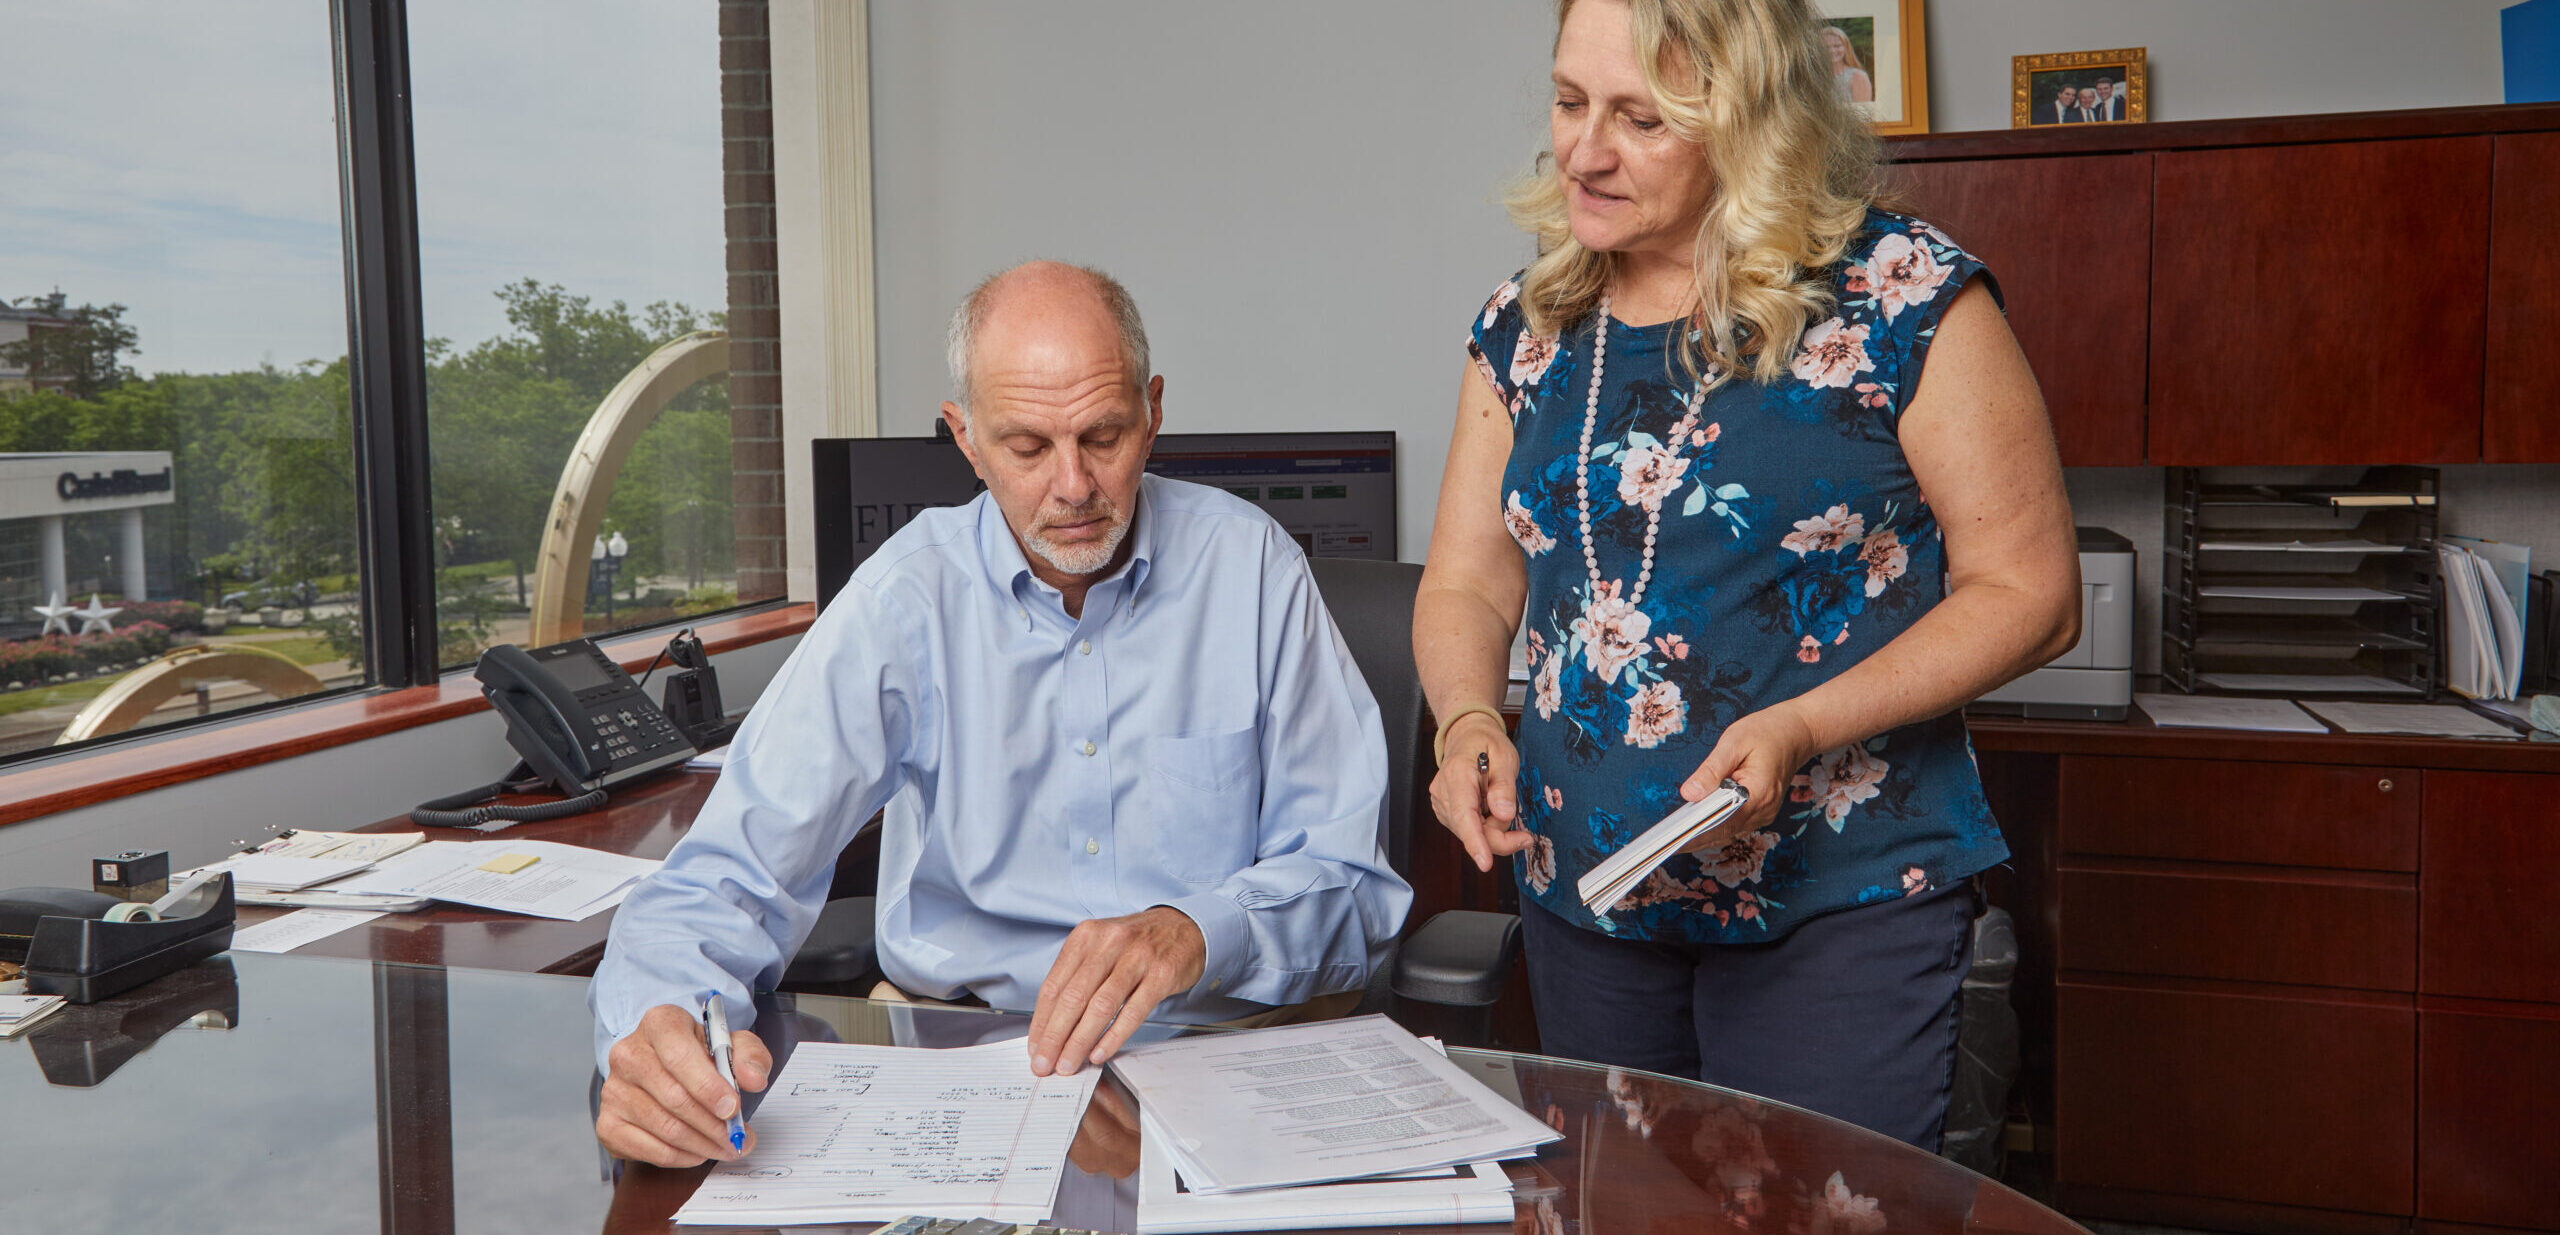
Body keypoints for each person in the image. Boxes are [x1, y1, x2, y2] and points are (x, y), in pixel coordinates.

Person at [1415, 0, 2079, 1150]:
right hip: (1591, 898)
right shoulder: (1524, 326)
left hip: (1838, 903)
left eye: (1641, 119)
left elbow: (2031, 590)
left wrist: (1801, 724)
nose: (1584, 148)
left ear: (1750, 125)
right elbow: (1470, 581)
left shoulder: (1902, 296)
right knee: (1622, 1210)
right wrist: (1466, 718)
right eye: (1571, 104)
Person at [590, 260, 1411, 1167]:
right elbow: (724, 877)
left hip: (1220, 1056)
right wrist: (657, 1027)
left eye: (1104, 434)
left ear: (1154, 412)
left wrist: (1200, 929)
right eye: (1026, 447)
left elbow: (1354, 887)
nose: (1073, 485)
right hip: (966, 1062)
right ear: (966, 439)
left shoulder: (1251, 568)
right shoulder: (906, 598)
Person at [1820, 25, 1872, 103]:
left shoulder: (1858, 77)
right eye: (1826, 47)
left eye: (1837, 46)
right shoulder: (1815, 77)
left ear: (1846, 47)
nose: (1832, 51)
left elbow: (1863, 112)